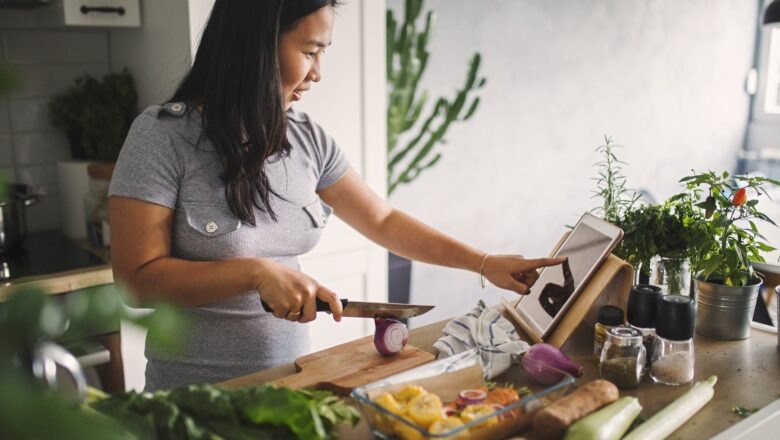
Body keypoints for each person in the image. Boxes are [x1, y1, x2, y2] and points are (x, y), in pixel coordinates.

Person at [109, 0, 565, 391]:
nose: (318, 73)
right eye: (310, 51)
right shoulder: (162, 137)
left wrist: (484, 263)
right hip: (195, 400)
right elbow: (136, 280)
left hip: (293, 384)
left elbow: (383, 221)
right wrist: (253, 272)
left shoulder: (308, 140)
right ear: (255, 47)